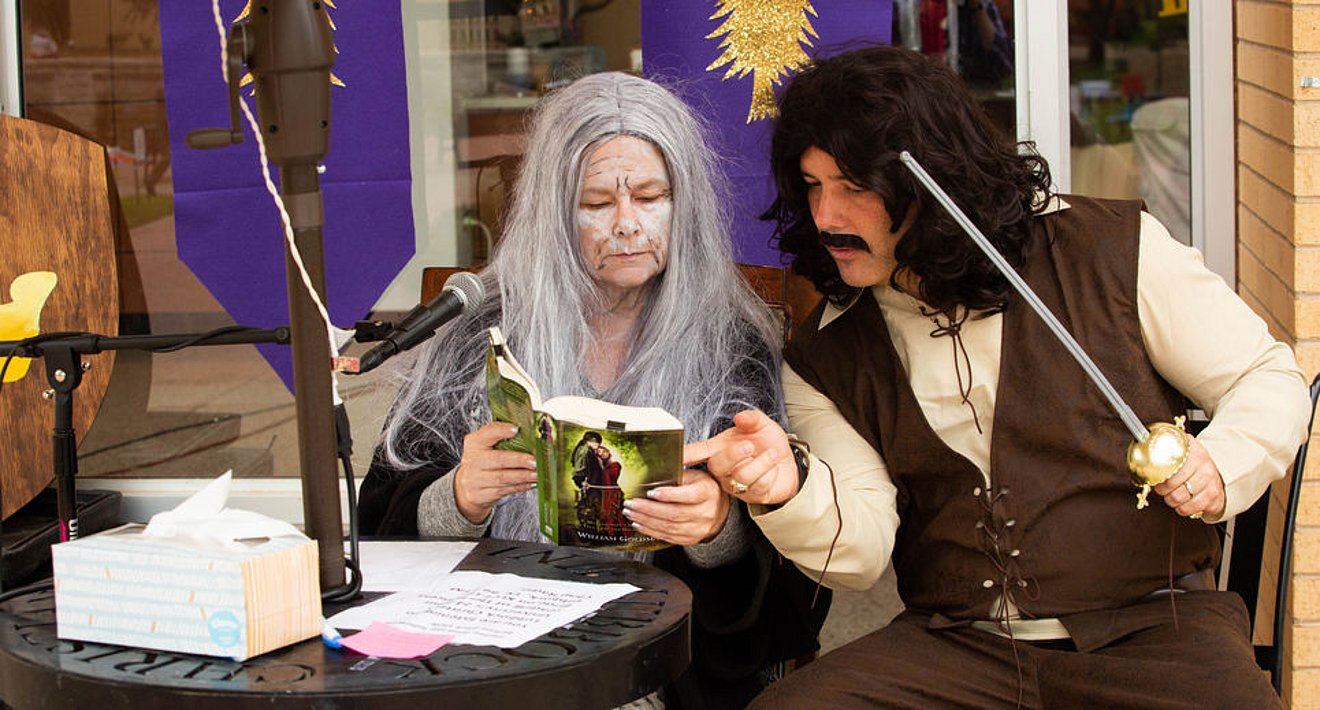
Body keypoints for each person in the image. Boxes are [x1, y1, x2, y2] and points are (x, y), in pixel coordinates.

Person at [685, 46, 1312, 707]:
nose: (826, 217)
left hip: (1151, 633)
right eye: (813, 187)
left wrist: (1221, 462)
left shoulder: (1106, 250)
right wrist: (791, 490)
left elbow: (1268, 377)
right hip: (957, 648)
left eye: (854, 188)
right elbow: (859, 552)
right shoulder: (827, 353)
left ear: (936, 183)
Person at [359, 71, 829, 708]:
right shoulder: (480, 329)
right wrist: (458, 498)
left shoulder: (731, 339)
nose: (628, 224)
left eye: (651, 195)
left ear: (682, 203)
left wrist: (716, 527)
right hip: (486, 646)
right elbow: (382, 520)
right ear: (555, 215)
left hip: (650, 657)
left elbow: (778, 570)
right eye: (597, 203)